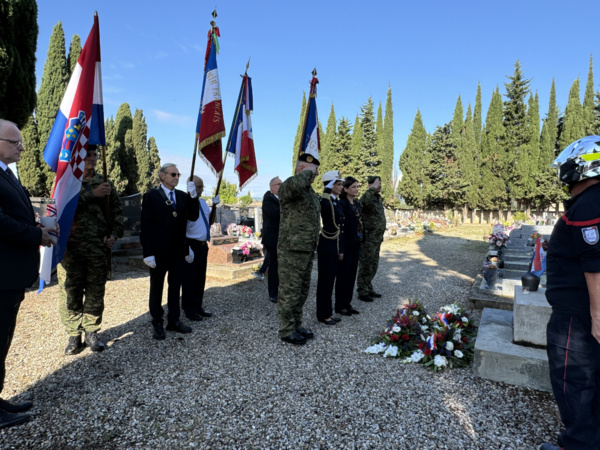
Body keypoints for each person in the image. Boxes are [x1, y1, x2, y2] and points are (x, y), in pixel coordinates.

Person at [541, 136, 600, 450]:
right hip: (584, 309)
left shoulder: (590, 202)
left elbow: (595, 262)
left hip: (577, 316)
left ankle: (576, 444)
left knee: (573, 380)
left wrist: (597, 316)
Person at [0, 119, 57, 428]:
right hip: (2, 274)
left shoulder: (8, 175)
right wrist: (37, 236)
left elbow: (15, 215)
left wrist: (38, 226)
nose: (22, 147)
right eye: (15, 142)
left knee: (3, 339)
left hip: (10, 276)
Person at [58, 146, 124, 355]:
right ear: (78, 156)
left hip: (97, 248)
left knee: (96, 291)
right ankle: (73, 335)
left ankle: (92, 333)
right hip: (70, 250)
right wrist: (90, 194)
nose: (93, 159)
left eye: (95, 155)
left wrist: (113, 235)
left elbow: (117, 214)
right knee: (70, 292)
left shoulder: (105, 184)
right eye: (88, 155)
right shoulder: (67, 182)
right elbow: (60, 207)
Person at [140, 163, 199, 340]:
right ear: (162, 176)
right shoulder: (151, 196)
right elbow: (146, 227)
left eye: (178, 174)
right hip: (158, 252)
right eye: (173, 174)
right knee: (156, 288)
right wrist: (147, 252)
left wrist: (194, 197)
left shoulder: (182, 196)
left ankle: (174, 320)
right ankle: (157, 321)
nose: (176, 177)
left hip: (178, 251)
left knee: (175, 288)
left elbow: (193, 217)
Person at [277, 154, 320, 345]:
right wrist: (306, 173)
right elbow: (294, 186)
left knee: (302, 290)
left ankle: (297, 324)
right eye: (313, 171)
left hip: (307, 247)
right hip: (291, 249)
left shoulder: (309, 192)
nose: (316, 175)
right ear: (301, 170)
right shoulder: (289, 186)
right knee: (290, 290)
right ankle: (286, 329)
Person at [181, 176, 219, 321]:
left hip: (203, 245)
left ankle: (198, 306)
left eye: (201, 186)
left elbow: (209, 221)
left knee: (200, 278)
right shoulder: (186, 202)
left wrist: (214, 207)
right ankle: (188, 309)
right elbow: (182, 226)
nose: (200, 190)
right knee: (189, 278)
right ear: (189, 187)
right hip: (192, 244)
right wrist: (186, 247)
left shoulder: (202, 202)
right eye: (197, 186)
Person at [316, 171, 345, 325]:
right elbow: (333, 226)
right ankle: (323, 314)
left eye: (341, 184)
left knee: (330, 281)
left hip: (334, 245)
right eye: (338, 184)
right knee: (325, 281)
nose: (341, 187)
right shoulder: (326, 201)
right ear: (330, 185)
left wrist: (340, 249)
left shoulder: (335, 201)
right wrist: (326, 191)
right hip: (327, 245)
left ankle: (328, 312)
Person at [356, 175, 386, 302]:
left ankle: (368, 287)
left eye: (379, 184)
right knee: (366, 265)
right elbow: (362, 203)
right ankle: (362, 291)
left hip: (377, 238)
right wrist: (372, 188)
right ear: (371, 185)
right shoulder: (367, 196)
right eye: (377, 184)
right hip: (369, 238)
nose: (379, 186)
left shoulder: (377, 198)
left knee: (374, 265)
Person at [335, 177, 363, 316]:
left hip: (356, 244)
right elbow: (340, 228)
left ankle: (347, 303)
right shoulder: (342, 204)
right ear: (345, 189)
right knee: (343, 276)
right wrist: (340, 249)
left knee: (352, 275)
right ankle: (340, 305)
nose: (356, 189)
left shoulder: (356, 204)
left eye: (357, 187)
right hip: (346, 245)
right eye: (353, 187)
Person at [257, 176, 282, 302]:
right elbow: (275, 213)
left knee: (280, 266)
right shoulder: (268, 198)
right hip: (272, 238)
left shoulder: (279, 198)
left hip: (281, 238)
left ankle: (280, 290)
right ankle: (273, 293)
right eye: (278, 184)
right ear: (272, 187)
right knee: (273, 266)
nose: (281, 186)